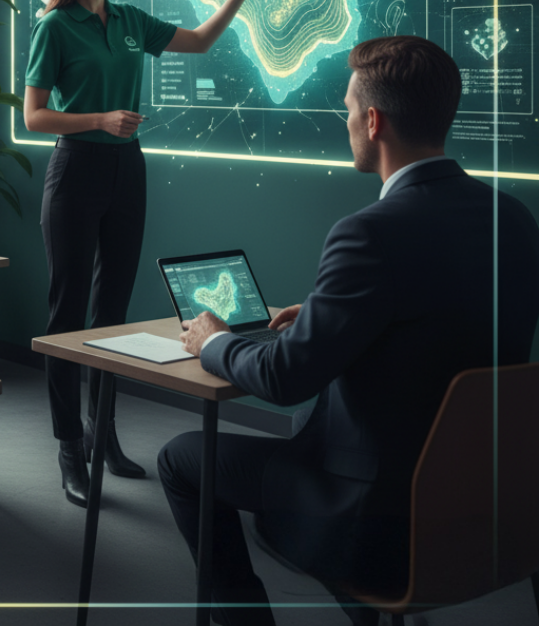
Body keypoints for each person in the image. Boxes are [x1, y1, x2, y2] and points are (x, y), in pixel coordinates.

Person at [158, 36, 539, 626]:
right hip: (486, 508)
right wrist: (326, 309)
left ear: (373, 119)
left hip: (376, 519)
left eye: (345, 110)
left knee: (182, 457)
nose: (344, 122)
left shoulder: (369, 233)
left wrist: (214, 342)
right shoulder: (512, 218)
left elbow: (284, 379)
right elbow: (442, 321)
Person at [23, 0, 286, 506]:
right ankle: (70, 446)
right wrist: (99, 119)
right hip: (75, 169)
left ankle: (104, 435)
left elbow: (199, 40)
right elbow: (34, 117)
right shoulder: (55, 27)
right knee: (68, 315)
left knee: (111, 310)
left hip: (126, 169)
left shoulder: (130, 20)